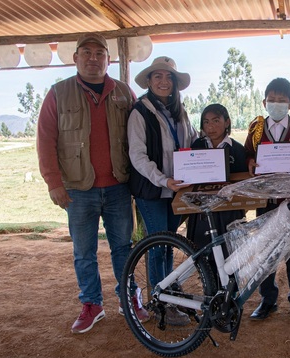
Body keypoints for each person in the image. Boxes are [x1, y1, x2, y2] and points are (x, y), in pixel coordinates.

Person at [36, 33, 148, 334]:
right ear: (75, 58)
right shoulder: (58, 94)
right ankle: (91, 304)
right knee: (83, 251)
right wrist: (53, 182)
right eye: (86, 53)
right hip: (77, 188)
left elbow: (139, 137)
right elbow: (46, 139)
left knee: (123, 248)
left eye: (100, 53)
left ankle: (128, 298)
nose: (93, 58)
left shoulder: (124, 93)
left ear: (108, 59)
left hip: (118, 187)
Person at [127, 56, 198, 326]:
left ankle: (166, 295)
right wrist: (163, 179)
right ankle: (161, 303)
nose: (164, 82)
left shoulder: (180, 112)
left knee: (168, 245)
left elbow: (192, 142)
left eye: (169, 77)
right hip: (153, 190)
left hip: (176, 190)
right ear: (149, 81)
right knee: (158, 246)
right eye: (158, 76)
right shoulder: (140, 111)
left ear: (176, 83)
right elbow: (137, 155)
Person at [244, 78, 290, 321]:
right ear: (264, 102)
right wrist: (250, 161)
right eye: (271, 100)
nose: (276, 104)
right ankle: (267, 299)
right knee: (267, 251)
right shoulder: (256, 128)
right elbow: (248, 154)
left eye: (281, 101)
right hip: (265, 201)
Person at [186, 104, 247, 267]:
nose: (210, 127)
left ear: (227, 122)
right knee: (205, 257)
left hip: (230, 211)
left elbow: (242, 181)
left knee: (232, 256)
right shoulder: (196, 146)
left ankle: (230, 292)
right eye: (206, 122)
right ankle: (211, 290)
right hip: (202, 212)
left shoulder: (238, 150)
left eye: (216, 120)